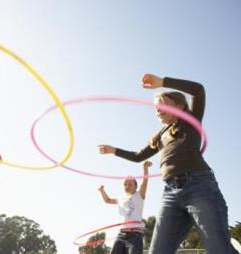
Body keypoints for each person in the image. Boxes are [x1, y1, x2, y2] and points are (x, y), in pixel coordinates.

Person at [99, 74, 238, 254]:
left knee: (218, 248)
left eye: (163, 105)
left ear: (180, 107)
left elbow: (198, 90)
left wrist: (162, 83)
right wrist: (114, 150)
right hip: (170, 193)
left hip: (199, 186)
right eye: (156, 107)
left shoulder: (190, 121)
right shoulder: (160, 137)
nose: (157, 109)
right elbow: (138, 156)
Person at [98, 161, 151, 254]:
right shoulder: (120, 198)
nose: (127, 186)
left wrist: (145, 168)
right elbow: (107, 200)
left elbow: (145, 182)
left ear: (135, 187)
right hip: (121, 235)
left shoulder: (139, 195)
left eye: (130, 184)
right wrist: (102, 190)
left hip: (135, 235)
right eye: (125, 184)